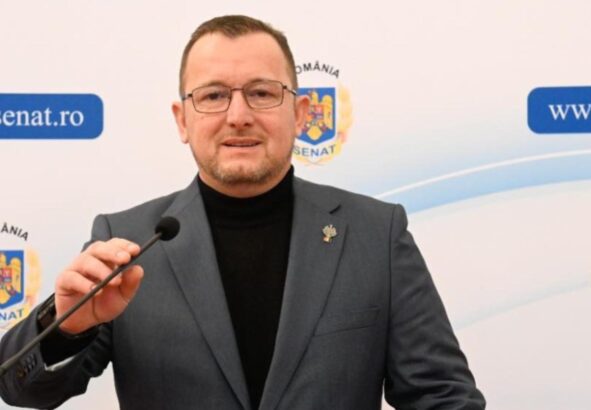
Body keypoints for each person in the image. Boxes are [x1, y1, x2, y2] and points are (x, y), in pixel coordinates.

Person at [0, 15, 485, 410]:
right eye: (213, 95)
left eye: (262, 92)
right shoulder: (126, 240)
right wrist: (66, 327)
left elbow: (443, 397)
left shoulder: (376, 234)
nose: (238, 116)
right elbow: (18, 389)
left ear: (300, 113)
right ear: (182, 120)